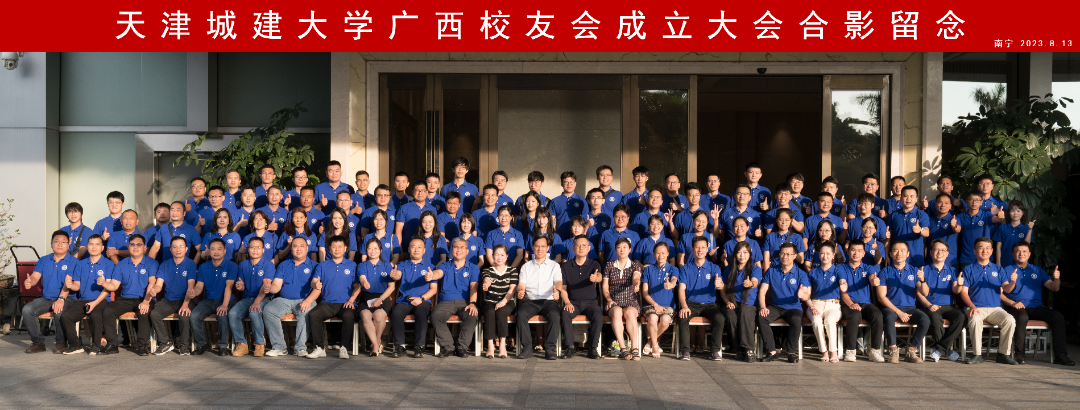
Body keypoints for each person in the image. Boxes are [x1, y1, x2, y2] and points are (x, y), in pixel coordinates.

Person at [1001, 241, 1073, 365]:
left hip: (1036, 307)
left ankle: (1061, 355)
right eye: (1018, 251)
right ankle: (1019, 355)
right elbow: (1001, 292)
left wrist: (1056, 279)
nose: (1021, 254)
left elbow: (1054, 287)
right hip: (1015, 307)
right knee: (1022, 316)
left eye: (1024, 251)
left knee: (1058, 317)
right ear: (1013, 254)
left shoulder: (1037, 270)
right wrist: (1012, 302)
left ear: (1029, 254)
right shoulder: (1006, 270)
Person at [958, 237, 1017, 365]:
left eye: (987, 248)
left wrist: (1013, 282)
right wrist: (972, 306)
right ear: (975, 251)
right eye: (981, 248)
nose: (984, 250)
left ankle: (1003, 354)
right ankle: (977, 354)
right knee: (975, 319)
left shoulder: (998, 269)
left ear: (991, 251)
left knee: (1010, 320)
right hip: (975, 307)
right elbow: (963, 292)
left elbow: (1007, 289)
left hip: (995, 308)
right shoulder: (968, 269)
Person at [99, 234, 159, 355]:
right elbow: (114, 286)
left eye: (139, 244)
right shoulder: (121, 265)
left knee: (144, 312)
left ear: (145, 248)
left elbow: (152, 283)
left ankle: (142, 345)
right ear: (128, 247)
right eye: (132, 244)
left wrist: (146, 301)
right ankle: (112, 345)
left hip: (144, 298)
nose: (135, 247)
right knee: (108, 311)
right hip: (125, 299)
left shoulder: (152, 263)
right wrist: (104, 283)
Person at [21, 230, 79, 354]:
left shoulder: (74, 262)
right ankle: (38, 342)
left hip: (68, 298)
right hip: (47, 298)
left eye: (63, 242)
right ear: (51, 244)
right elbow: (35, 276)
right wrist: (30, 282)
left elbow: (68, 284)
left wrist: (61, 299)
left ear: (68, 244)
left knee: (58, 311)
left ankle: (61, 343)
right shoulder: (44, 260)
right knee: (27, 309)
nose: (60, 244)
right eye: (56, 242)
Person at [262, 237, 319, 357]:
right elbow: (276, 286)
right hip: (284, 300)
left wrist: (308, 301)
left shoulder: (315, 266)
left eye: (302, 246)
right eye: (295, 246)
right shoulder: (284, 265)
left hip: (304, 300)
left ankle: (300, 348)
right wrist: (269, 288)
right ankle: (279, 347)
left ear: (307, 248)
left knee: (307, 311)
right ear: (291, 249)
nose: (298, 249)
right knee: (269, 309)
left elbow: (317, 287)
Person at [305, 236, 360, 359]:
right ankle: (319, 348)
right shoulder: (322, 265)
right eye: (334, 247)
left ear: (345, 249)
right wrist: (315, 284)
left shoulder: (352, 265)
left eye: (340, 247)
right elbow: (314, 281)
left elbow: (357, 286)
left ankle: (344, 348)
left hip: (346, 303)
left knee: (348, 315)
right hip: (327, 303)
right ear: (329, 249)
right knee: (313, 315)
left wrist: (351, 300)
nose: (337, 249)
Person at [876, 241, 931, 364]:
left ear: (908, 254)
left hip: (910, 308)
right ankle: (893, 350)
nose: (899, 253)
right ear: (890, 253)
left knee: (925, 319)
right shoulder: (884, 271)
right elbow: (881, 297)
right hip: (890, 308)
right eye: (895, 250)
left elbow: (925, 293)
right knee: (889, 317)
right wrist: (898, 312)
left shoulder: (914, 271)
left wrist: (922, 280)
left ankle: (911, 350)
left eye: (902, 250)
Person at [757, 242, 811, 363]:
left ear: (794, 256)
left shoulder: (801, 274)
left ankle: (791, 352)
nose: (784, 256)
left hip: (793, 307)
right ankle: (772, 352)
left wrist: (802, 295)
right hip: (775, 306)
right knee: (762, 317)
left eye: (788, 254)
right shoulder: (771, 270)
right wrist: (763, 307)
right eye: (782, 253)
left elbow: (806, 294)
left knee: (796, 320)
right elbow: (762, 291)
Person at [59, 234, 113, 355]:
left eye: (97, 244)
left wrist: (95, 301)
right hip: (83, 300)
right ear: (87, 247)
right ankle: (75, 345)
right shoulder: (81, 264)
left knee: (95, 315)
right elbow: (77, 286)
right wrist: (70, 285)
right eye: (91, 244)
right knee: (66, 316)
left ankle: (96, 345)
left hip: (101, 300)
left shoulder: (108, 264)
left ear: (102, 248)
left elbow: (108, 289)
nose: (94, 247)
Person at [676, 236, 726, 361]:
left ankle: (714, 351)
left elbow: (720, 284)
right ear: (692, 249)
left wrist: (720, 285)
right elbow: (681, 289)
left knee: (720, 318)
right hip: (691, 303)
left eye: (703, 247)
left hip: (709, 305)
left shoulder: (714, 268)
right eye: (697, 247)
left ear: (707, 249)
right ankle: (685, 351)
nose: (700, 250)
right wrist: (684, 306)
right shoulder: (685, 268)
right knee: (683, 317)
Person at [430, 238, 481, 358]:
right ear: (451, 251)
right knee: (436, 315)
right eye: (456, 247)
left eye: (462, 247)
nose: (459, 250)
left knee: (472, 315)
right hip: (446, 302)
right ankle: (448, 347)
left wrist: (473, 303)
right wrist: (432, 275)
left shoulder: (473, 268)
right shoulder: (445, 265)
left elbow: (474, 286)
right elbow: (439, 273)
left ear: (467, 251)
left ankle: (462, 347)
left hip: (465, 302)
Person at [514, 236, 563, 360]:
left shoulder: (554, 265)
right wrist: (520, 291)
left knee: (555, 315)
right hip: (531, 301)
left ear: (547, 248)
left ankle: (550, 349)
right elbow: (521, 284)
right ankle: (527, 348)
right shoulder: (526, 266)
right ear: (533, 247)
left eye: (543, 246)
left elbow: (558, 282)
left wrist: (557, 290)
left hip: (549, 301)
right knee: (521, 314)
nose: (540, 249)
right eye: (537, 246)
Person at [388, 238, 438, 358]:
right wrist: (395, 275)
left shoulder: (430, 267)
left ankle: (419, 346)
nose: (416, 249)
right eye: (413, 247)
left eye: (419, 247)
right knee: (396, 313)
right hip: (405, 300)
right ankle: (400, 346)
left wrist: (421, 299)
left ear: (424, 250)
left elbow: (433, 289)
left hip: (423, 300)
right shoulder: (402, 265)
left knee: (421, 313)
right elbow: (398, 275)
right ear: (408, 249)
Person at [918, 239, 967, 362]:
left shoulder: (953, 270)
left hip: (949, 305)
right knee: (935, 319)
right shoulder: (923, 270)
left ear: (947, 253)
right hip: (929, 305)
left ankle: (939, 349)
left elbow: (956, 290)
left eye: (943, 250)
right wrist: (929, 305)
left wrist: (959, 284)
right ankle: (947, 350)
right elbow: (919, 293)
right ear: (930, 252)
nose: (939, 252)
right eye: (936, 250)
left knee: (961, 317)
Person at [228, 236, 276, 357]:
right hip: (247, 298)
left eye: (258, 247)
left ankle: (259, 343)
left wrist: (257, 302)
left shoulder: (268, 265)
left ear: (263, 250)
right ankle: (242, 344)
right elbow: (241, 284)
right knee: (232, 314)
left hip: (264, 299)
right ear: (248, 250)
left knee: (254, 312)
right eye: (252, 247)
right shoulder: (243, 265)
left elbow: (266, 285)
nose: (255, 249)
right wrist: (240, 286)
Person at [148, 236, 197, 356]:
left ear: (186, 249)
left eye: (181, 247)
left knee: (184, 315)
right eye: (175, 247)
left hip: (185, 299)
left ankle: (183, 345)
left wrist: (185, 304)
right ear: (170, 250)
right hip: (169, 301)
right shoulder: (165, 264)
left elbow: (190, 287)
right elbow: (159, 285)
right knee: (154, 314)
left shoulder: (190, 264)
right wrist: (154, 290)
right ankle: (165, 343)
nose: (178, 249)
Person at [837, 241, 885, 363]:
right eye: (853, 250)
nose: (856, 253)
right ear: (848, 252)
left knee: (878, 315)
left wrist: (874, 280)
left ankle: (874, 351)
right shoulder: (840, 267)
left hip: (865, 303)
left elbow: (872, 276)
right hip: (848, 302)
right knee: (854, 315)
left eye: (859, 251)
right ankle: (851, 350)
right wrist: (851, 304)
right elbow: (842, 288)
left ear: (863, 253)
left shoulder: (869, 267)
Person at [557, 235, 604, 360]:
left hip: (590, 303)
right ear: (573, 248)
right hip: (573, 303)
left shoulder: (594, 264)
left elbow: (599, 276)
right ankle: (570, 347)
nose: (581, 248)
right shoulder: (566, 266)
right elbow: (563, 288)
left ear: (589, 248)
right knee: (565, 314)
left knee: (598, 315)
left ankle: (593, 348)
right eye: (578, 245)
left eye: (584, 245)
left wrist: (596, 278)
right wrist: (567, 302)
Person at [189, 239, 238, 356]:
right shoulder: (203, 267)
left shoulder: (231, 266)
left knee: (222, 315)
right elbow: (199, 287)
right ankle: (201, 344)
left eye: (219, 249)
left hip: (226, 301)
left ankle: (223, 346)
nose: (216, 252)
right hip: (208, 301)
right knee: (194, 316)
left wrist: (224, 305)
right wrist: (193, 292)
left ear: (224, 251)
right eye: (213, 249)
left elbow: (229, 286)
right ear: (209, 252)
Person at [718, 241, 762, 363]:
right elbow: (723, 288)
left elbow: (755, 281)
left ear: (750, 254)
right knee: (730, 315)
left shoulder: (755, 269)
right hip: (732, 302)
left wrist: (750, 284)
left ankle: (748, 349)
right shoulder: (729, 269)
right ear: (735, 254)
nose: (742, 255)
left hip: (749, 303)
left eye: (745, 252)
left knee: (745, 312)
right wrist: (727, 302)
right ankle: (739, 348)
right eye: (739, 252)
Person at [603, 238, 643, 360]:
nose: (622, 250)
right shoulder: (609, 265)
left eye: (625, 247)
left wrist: (636, 284)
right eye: (619, 247)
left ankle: (634, 347)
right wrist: (609, 299)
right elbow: (605, 287)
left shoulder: (635, 266)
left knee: (630, 312)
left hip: (630, 301)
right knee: (617, 311)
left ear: (629, 250)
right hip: (613, 301)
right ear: (615, 250)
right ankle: (622, 347)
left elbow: (636, 277)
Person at [356, 238, 396, 357]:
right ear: (366, 250)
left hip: (383, 297)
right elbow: (362, 277)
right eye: (369, 249)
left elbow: (391, 287)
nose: (372, 251)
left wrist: (380, 299)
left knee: (378, 316)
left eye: (375, 249)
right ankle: (375, 345)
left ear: (380, 250)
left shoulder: (387, 265)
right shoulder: (362, 265)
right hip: (366, 297)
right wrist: (364, 282)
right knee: (365, 315)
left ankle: (377, 340)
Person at [806, 241, 843, 363]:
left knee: (830, 320)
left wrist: (843, 285)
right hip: (815, 304)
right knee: (816, 320)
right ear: (818, 255)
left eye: (828, 253)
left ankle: (833, 351)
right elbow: (807, 294)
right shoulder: (812, 272)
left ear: (833, 255)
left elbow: (842, 281)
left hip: (833, 305)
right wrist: (811, 306)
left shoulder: (838, 270)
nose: (825, 256)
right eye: (822, 253)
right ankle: (824, 350)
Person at [481, 245, 519, 359]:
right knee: (490, 312)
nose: (499, 257)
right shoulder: (487, 270)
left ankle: (502, 344)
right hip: (490, 301)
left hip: (507, 301)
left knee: (501, 312)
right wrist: (486, 284)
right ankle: (490, 345)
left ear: (507, 256)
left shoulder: (512, 270)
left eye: (502, 255)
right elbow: (487, 279)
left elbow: (512, 289)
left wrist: (503, 302)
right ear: (492, 256)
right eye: (496, 255)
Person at [886, 185, 931, 267]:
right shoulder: (894, 215)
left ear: (916, 199)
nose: (908, 199)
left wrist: (920, 230)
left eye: (911, 196)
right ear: (900, 198)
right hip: (897, 259)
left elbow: (927, 233)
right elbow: (889, 237)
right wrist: (886, 255)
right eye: (905, 196)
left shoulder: (922, 214)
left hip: (915, 259)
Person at [956, 191, 1002, 268]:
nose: (974, 202)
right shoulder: (960, 217)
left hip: (985, 257)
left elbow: (995, 219)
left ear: (981, 202)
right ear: (966, 202)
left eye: (977, 200)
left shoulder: (986, 215)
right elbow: (957, 229)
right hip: (966, 258)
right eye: (971, 199)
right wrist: (954, 226)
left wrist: (999, 218)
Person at [994, 200, 1034, 267]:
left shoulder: (1026, 228)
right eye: (1012, 211)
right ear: (1009, 213)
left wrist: (1030, 230)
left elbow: (1026, 245)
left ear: (1022, 213)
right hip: (1004, 262)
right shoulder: (1002, 227)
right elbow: (998, 247)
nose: (1015, 213)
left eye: (1018, 211)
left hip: (1021, 263)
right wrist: (998, 263)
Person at [927, 193, 962, 267]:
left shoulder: (954, 219)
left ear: (950, 206)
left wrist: (954, 226)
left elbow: (958, 229)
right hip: (931, 261)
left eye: (946, 203)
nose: (943, 205)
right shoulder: (930, 220)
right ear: (935, 205)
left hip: (949, 261)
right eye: (940, 202)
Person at [549, 171, 587, 239]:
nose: (569, 185)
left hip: (577, 238)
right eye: (566, 182)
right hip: (560, 237)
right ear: (561, 184)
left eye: (571, 182)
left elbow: (585, 220)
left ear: (575, 184)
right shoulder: (555, 201)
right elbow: (551, 221)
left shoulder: (582, 201)